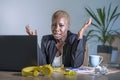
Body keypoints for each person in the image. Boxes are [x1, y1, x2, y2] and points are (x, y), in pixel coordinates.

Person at [26, 10, 92, 68]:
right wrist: (33, 41)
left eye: (61, 25)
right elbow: (42, 64)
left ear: (68, 26)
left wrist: (80, 35)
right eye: (54, 25)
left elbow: (76, 64)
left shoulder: (75, 39)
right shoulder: (46, 40)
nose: (56, 28)